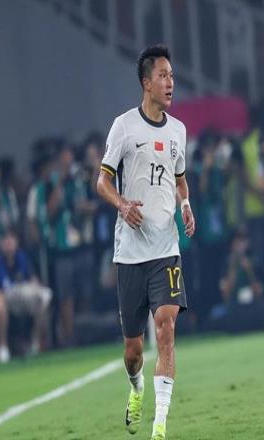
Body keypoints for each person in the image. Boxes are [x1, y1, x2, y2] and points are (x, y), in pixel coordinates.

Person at [96, 44, 195, 440]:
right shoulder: (123, 127)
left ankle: (160, 426)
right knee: (133, 351)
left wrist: (185, 205)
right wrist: (122, 204)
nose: (170, 83)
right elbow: (101, 181)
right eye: (163, 76)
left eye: (172, 76)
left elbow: (180, 179)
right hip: (130, 254)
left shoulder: (178, 131)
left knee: (166, 327)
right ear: (146, 83)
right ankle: (136, 389)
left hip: (165, 250)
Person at [0, 229, 52, 363]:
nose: (9, 243)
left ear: (17, 242)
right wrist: (2, 295)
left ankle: (35, 342)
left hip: (24, 299)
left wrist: (35, 289)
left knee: (43, 300)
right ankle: (3, 346)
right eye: (5, 240)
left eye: (11, 239)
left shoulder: (22, 258)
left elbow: (34, 280)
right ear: (1, 243)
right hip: (6, 299)